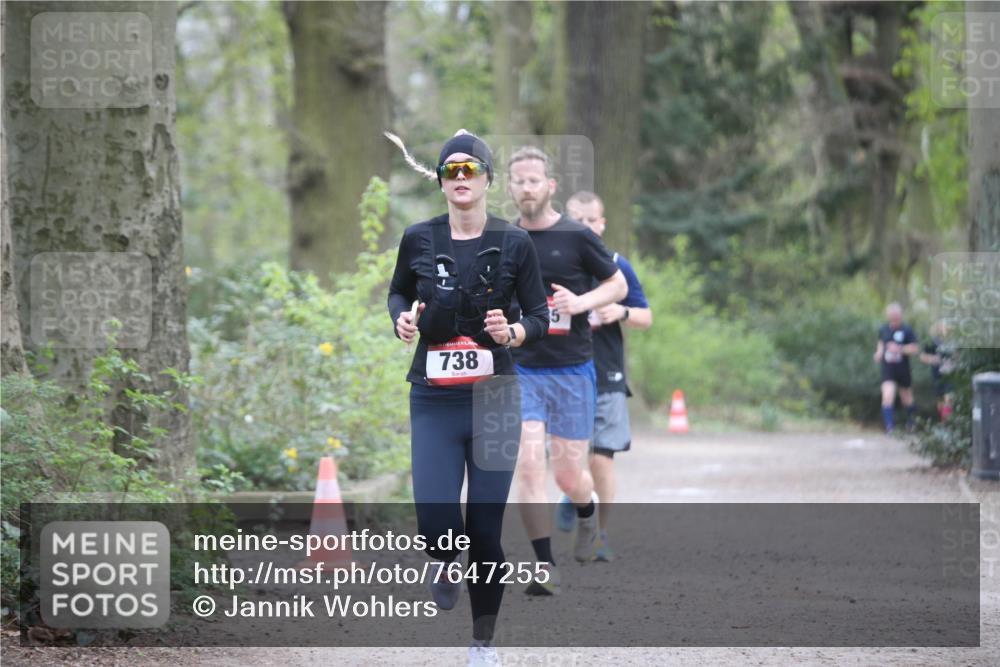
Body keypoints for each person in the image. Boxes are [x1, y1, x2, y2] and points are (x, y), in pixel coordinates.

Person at [387, 130, 550, 666]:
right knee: (436, 520)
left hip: (495, 398)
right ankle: (441, 556)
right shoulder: (418, 237)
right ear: (439, 181)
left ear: (487, 180)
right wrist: (402, 319)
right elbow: (396, 292)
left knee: (483, 530)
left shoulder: (514, 242)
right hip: (434, 400)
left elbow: (539, 317)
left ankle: (482, 644)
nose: (461, 178)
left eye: (470, 170)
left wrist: (513, 334)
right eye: (451, 170)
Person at [506, 146, 628, 594]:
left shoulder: (576, 236)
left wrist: (580, 303)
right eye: (518, 180)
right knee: (528, 464)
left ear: (550, 186)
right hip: (523, 370)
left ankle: (587, 513)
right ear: (510, 187)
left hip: (573, 371)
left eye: (534, 180)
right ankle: (544, 568)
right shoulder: (503, 238)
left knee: (569, 477)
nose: (526, 187)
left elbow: (616, 284)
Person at [555, 190, 652, 562]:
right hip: (562, 372)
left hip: (606, 372)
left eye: (590, 221)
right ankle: (574, 491)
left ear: (602, 224)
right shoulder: (555, 263)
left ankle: (600, 535)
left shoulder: (616, 266)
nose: (584, 227)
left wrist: (621, 313)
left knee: (602, 457)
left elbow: (646, 316)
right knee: (569, 459)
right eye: (576, 220)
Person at [873, 303, 920, 433]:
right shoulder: (884, 329)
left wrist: (899, 348)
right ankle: (890, 427)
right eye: (891, 317)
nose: (894, 319)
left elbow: (915, 348)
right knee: (887, 395)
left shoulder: (907, 330)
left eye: (896, 316)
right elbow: (881, 343)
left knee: (907, 397)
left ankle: (911, 424)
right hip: (888, 368)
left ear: (900, 316)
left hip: (903, 368)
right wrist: (878, 353)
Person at [920, 320, 957, 422]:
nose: (947, 329)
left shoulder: (955, 341)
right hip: (937, 375)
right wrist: (933, 359)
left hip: (951, 375)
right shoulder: (933, 341)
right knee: (940, 400)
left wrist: (955, 358)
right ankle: (944, 421)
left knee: (949, 397)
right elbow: (922, 357)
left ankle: (948, 423)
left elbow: (960, 355)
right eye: (944, 326)